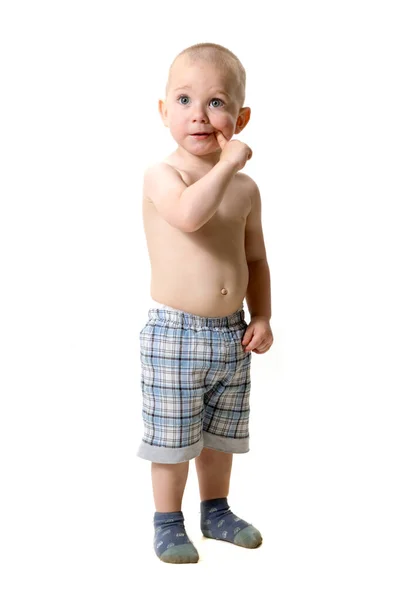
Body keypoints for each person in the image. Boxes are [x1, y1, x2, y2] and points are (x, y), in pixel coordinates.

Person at [137, 42, 273, 563]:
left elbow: (257, 259)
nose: (199, 113)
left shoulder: (245, 189)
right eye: (185, 99)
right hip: (176, 333)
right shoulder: (162, 175)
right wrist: (226, 164)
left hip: (230, 333)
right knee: (172, 438)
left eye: (216, 103)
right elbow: (190, 216)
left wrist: (261, 314)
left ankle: (215, 510)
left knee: (221, 436)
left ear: (239, 117)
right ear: (163, 110)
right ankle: (167, 522)